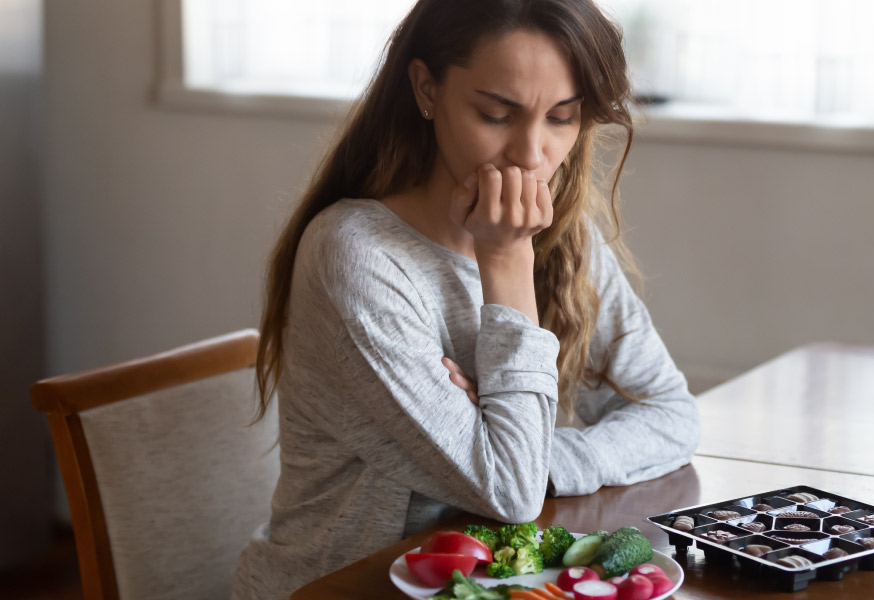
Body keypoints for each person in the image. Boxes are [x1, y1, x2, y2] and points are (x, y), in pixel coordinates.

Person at [231, 1, 700, 598]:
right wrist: (505, 260)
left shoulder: (563, 235)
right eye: (497, 113)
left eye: (562, 117)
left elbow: (671, 414)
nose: (531, 156)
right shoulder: (357, 255)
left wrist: (534, 454)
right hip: (343, 587)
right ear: (427, 88)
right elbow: (509, 490)